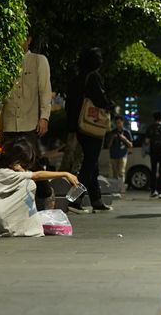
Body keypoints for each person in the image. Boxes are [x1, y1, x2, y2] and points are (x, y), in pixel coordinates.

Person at [0, 32, 54, 210]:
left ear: (29, 40)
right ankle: (15, 202)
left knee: (31, 160)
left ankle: (44, 192)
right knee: (9, 163)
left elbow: (45, 91)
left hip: (30, 121)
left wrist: (44, 117)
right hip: (9, 121)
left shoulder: (38, 60)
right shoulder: (4, 61)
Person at [0, 138, 78, 237]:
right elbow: (37, 175)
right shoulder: (8, 174)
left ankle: (29, 222)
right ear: (16, 162)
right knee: (29, 184)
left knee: (27, 182)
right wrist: (65, 174)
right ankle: (30, 225)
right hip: (6, 224)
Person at [65, 47, 115, 214]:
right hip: (92, 125)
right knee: (89, 164)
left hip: (80, 126)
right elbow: (101, 100)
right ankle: (75, 200)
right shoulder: (94, 77)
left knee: (91, 162)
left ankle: (96, 200)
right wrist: (110, 104)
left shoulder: (77, 78)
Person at [146, 111, 161, 199]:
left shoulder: (150, 128)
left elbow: (147, 141)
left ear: (154, 118)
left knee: (154, 170)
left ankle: (153, 191)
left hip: (153, 151)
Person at [107, 115, 133, 194]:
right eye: (116, 123)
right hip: (113, 155)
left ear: (122, 122)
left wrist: (124, 139)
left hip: (123, 154)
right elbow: (108, 145)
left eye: (119, 122)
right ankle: (115, 189)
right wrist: (112, 138)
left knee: (121, 172)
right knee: (114, 173)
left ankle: (121, 189)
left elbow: (131, 145)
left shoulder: (126, 132)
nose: (118, 124)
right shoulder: (112, 132)